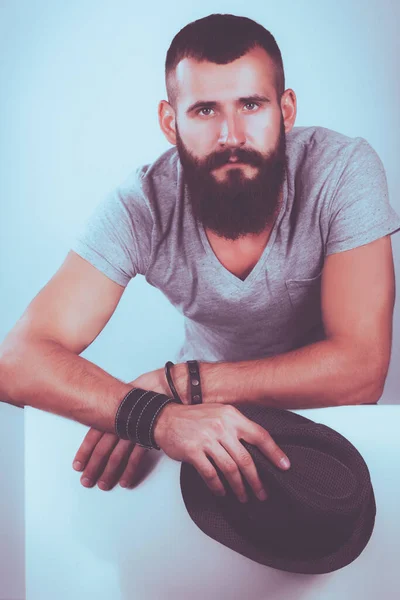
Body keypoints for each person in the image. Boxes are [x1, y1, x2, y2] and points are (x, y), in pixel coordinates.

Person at [1, 13, 399, 503]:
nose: (231, 135)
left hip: (331, 428)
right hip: (202, 432)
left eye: (251, 104)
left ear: (286, 109)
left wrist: (179, 383)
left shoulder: (342, 171)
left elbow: (361, 369)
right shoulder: (142, 205)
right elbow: (16, 361)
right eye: (205, 111)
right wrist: (153, 414)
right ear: (170, 121)